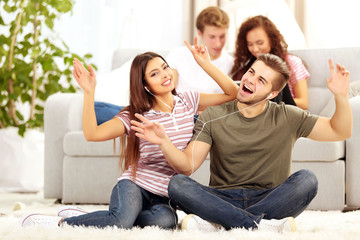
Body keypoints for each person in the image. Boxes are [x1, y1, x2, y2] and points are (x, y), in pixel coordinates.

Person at [19, 38, 239, 229]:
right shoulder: (136, 115)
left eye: (165, 67)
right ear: (145, 85)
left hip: (164, 193)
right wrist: (89, 92)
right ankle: (60, 223)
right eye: (155, 73)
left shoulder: (188, 100)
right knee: (121, 222)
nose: (165, 75)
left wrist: (205, 64)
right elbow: (92, 134)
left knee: (166, 223)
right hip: (136, 184)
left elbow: (233, 93)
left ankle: (93, 217)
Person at [131, 54, 352, 232]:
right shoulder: (213, 115)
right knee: (177, 183)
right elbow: (187, 166)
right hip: (221, 197)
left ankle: (219, 222)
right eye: (251, 72)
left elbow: (338, 130)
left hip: (269, 196)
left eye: (261, 81)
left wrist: (341, 97)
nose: (249, 80)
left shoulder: (288, 116)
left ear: (273, 93)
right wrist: (164, 142)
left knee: (307, 180)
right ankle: (258, 225)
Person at [231, 15, 309, 110]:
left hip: (284, 114)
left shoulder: (292, 62)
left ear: (271, 39)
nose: (255, 49)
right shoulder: (250, 67)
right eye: (250, 44)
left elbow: (304, 103)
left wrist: (265, 99)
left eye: (260, 43)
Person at [167, 6, 234, 94]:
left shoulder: (232, 64)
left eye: (222, 36)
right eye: (212, 37)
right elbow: (168, 93)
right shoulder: (177, 55)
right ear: (200, 33)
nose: (218, 44)